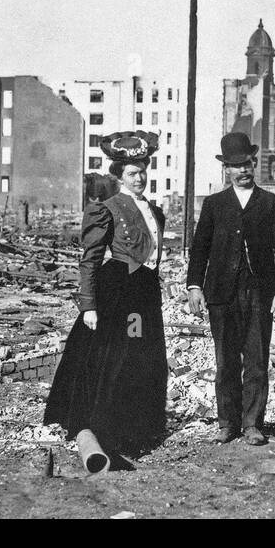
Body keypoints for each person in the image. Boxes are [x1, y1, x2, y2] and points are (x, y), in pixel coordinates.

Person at [44, 131, 168, 464]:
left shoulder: (153, 209)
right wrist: (89, 305)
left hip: (145, 293)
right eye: (132, 172)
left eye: (142, 169)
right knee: (123, 357)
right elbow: (90, 259)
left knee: (143, 354)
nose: (139, 177)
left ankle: (140, 428)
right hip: (121, 294)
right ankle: (113, 431)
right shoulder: (107, 209)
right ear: (119, 176)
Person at [186, 132, 275, 446]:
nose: (243, 170)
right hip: (221, 293)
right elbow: (199, 249)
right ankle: (227, 423)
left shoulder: (272, 203)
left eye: (247, 163)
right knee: (226, 361)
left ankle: (252, 424)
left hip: (260, 292)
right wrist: (194, 286)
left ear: (254, 163)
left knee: (257, 360)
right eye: (235, 166)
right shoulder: (214, 205)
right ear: (226, 169)